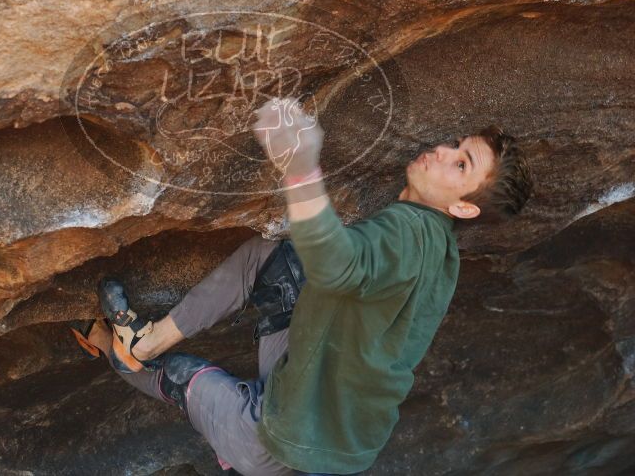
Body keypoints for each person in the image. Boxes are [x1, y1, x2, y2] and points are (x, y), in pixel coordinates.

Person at [69, 97, 533, 475]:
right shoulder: (441, 252)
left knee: (183, 375)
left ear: (465, 208)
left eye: (461, 165)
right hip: (329, 432)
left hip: (272, 443)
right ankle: (145, 341)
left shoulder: (406, 233)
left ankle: (115, 347)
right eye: (455, 145)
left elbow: (336, 265)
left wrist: (299, 166)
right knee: (274, 256)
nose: (441, 152)